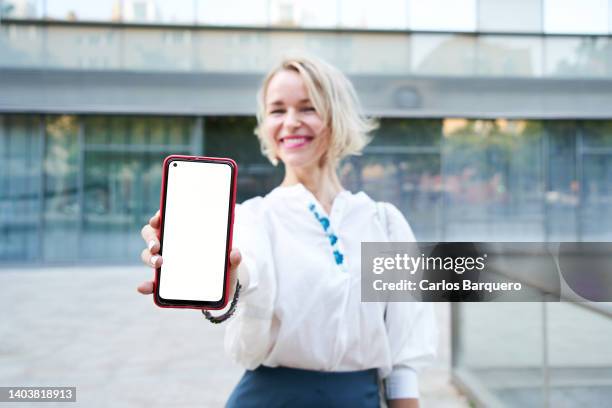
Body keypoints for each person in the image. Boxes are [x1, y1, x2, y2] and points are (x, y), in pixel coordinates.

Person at [139, 55, 437, 408]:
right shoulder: (253, 218)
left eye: (308, 108)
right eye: (277, 111)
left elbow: (404, 353)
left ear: (336, 116)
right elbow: (248, 273)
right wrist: (223, 279)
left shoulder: (384, 223)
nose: (291, 123)